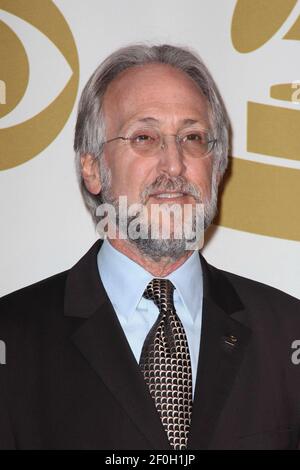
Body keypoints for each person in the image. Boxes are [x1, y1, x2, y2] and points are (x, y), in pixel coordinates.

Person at [0, 43, 300, 450]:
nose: (174, 165)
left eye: (193, 138)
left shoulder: (287, 333)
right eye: (144, 137)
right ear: (92, 168)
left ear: (217, 166)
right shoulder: (13, 340)